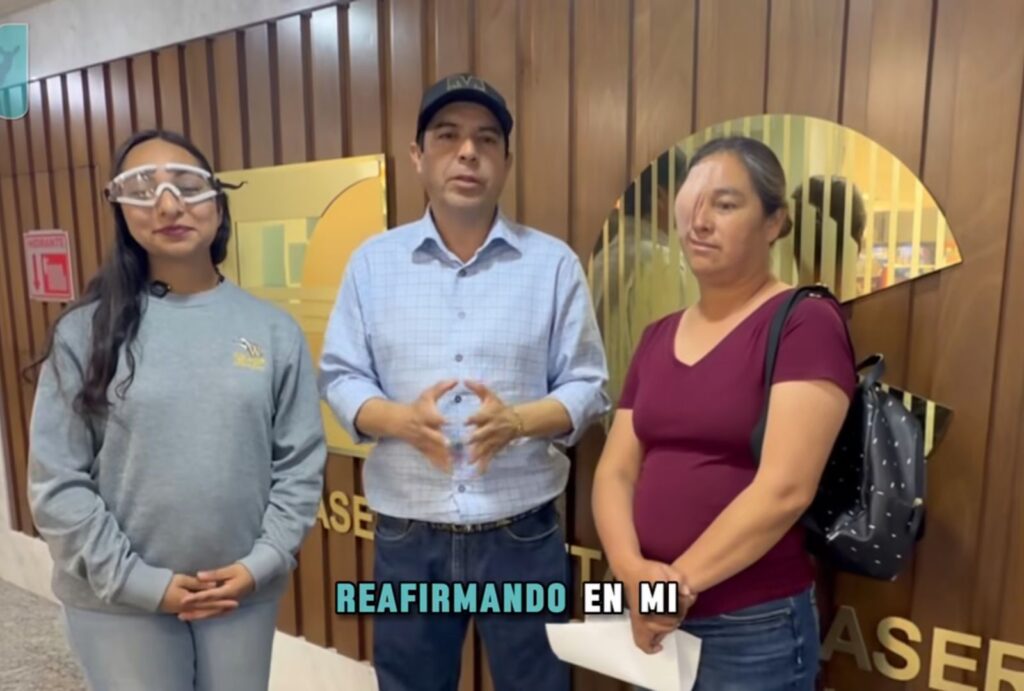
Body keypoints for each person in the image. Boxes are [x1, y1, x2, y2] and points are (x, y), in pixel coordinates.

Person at [319, 73, 609, 691]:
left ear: (507, 161)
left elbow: (589, 384)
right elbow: (340, 375)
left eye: (486, 139)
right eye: (448, 136)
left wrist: (518, 422)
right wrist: (397, 420)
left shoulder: (552, 264)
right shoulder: (372, 263)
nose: (468, 152)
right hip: (408, 535)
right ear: (418, 156)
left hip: (521, 533)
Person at [27, 130, 327, 691]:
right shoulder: (85, 334)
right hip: (118, 602)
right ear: (121, 210)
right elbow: (57, 484)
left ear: (218, 203)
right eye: (143, 190)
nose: (168, 205)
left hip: (240, 594)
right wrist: (139, 581)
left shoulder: (272, 331)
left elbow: (300, 466)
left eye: (187, 186)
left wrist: (260, 563)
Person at [592, 136, 855, 690]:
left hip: (749, 624)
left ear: (774, 222)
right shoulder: (657, 336)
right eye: (690, 204)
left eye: (726, 204)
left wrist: (669, 590)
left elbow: (785, 489)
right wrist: (633, 574)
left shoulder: (805, 321)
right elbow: (615, 470)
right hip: (648, 613)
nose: (699, 222)